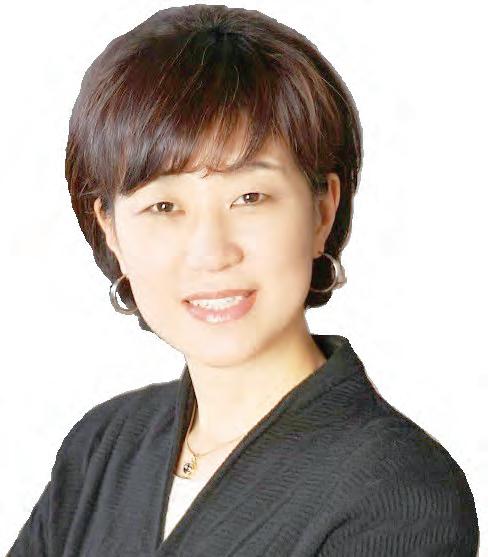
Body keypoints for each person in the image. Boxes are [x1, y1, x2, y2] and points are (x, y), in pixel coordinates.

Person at [8, 4, 479, 556]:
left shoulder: (398, 493)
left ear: (322, 210)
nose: (212, 253)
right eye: (164, 206)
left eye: (250, 197)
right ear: (110, 229)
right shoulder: (103, 448)